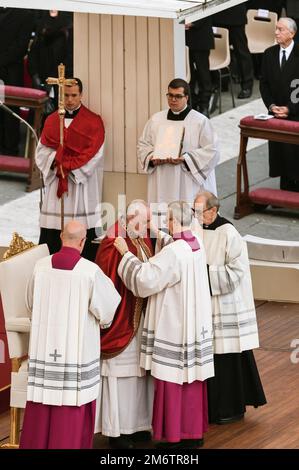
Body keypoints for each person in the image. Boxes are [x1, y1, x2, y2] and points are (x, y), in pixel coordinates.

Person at [114, 201, 214, 449]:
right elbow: (174, 251)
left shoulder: (174, 253)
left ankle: (176, 437)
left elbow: (145, 279)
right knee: (191, 380)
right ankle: (194, 432)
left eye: (167, 219)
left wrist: (124, 254)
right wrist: (159, 235)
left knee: (172, 381)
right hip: (193, 325)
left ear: (172, 220)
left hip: (174, 327)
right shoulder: (196, 244)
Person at [19, 220, 121, 449]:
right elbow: (106, 312)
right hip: (76, 359)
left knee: (42, 405)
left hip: (45, 355)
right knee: (72, 409)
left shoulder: (40, 267)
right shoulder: (90, 272)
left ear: (61, 237)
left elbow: (30, 304)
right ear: (83, 241)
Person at [194, 192, 267, 424]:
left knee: (227, 358)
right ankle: (208, 408)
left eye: (199, 212)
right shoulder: (196, 229)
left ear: (213, 210)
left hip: (225, 304)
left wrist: (205, 273)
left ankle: (230, 408)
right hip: (204, 303)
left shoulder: (229, 233)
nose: (195, 217)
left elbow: (237, 271)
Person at [94, 200, 154, 449]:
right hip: (122, 320)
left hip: (138, 320)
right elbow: (108, 282)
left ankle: (138, 426)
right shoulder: (112, 243)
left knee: (139, 377)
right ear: (131, 219)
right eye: (146, 221)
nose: (150, 226)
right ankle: (116, 432)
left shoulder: (140, 238)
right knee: (121, 377)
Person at [36, 78, 105, 260]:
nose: (70, 100)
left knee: (81, 228)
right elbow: (42, 151)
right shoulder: (51, 121)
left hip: (79, 184)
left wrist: (70, 168)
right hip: (57, 182)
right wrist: (55, 162)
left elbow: (95, 153)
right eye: (66, 95)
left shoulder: (93, 121)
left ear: (81, 95)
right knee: (52, 235)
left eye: (74, 95)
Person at [138, 78, 219, 224]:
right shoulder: (156, 119)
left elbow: (212, 151)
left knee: (186, 221)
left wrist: (186, 159)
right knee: (162, 220)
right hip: (162, 178)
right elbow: (143, 145)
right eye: (170, 95)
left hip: (186, 180)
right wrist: (152, 157)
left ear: (187, 97)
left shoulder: (200, 121)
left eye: (178, 96)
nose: (173, 100)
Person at [260, 17, 299, 191]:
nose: (276, 32)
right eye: (276, 28)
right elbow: (264, 84)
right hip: (275, 113)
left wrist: (290, 108)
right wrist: (271, 106)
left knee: (294, 152)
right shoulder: (269, 54)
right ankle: (284, 189)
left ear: (292, 33)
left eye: (281, 29)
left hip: (296, 113)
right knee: (279, 153)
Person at [0, 7, 34, 155]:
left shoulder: (25, 14)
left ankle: (10, 150)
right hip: (7, 65)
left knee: (10, 111)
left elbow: (21, 46)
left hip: (12, 70)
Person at [213, 4, 254, 99]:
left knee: (241, 52)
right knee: (218, 51)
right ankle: (222, 83)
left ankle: (247, 85)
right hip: (217, 12)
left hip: (236, 14)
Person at [185, 17, 214, 117]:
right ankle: (191, 103)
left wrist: (192, 23)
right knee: (189, 75)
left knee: (203, 74)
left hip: (201, 36)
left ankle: (204, 105)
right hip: (184, 38)